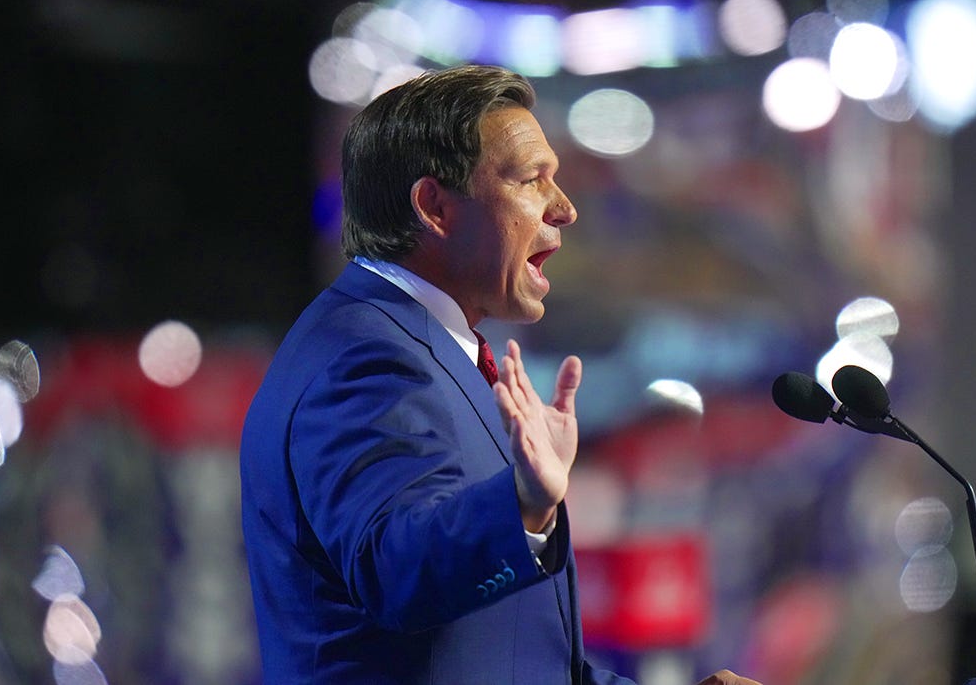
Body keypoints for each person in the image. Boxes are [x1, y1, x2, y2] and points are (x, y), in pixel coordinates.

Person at [240, 64, 762, 685]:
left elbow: (515, 663)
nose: (564, 209)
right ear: (435, 206)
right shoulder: (367, 358)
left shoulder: (421, 346)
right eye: (531, 181)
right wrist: (523, 506)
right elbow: (394, 574)